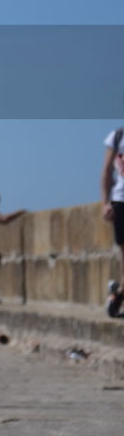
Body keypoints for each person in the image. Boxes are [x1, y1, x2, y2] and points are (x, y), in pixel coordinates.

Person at [101, 127, 124, 317]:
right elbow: (107, 171)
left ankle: (116, 294)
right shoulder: (117, 136)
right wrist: (105, 203)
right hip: (121, 202)